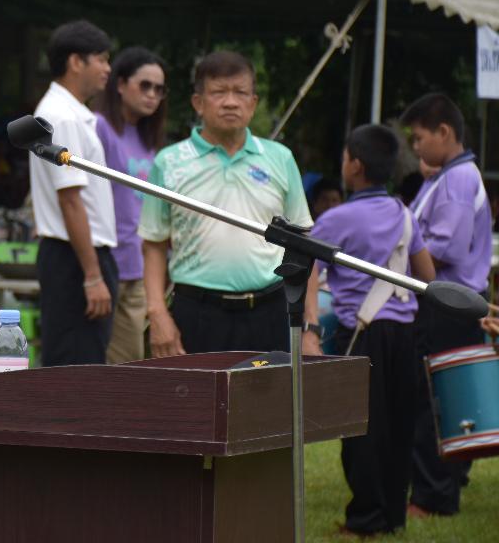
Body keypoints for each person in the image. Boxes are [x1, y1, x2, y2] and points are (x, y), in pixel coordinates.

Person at [301, 125, 435, 536]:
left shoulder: (335, 219)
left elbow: (308, 271)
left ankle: (365, 518)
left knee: (361, 429)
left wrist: (310, 329)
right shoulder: (404, 214)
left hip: (362, 334)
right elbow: (427, 275)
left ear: (355, 165)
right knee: (399, 424)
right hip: (405, 333)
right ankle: (393, 515)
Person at [140, 50, 311, 357]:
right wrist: (157, 313)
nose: (230, 102)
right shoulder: (169, 162)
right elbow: (154, 244)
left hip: (271, 310)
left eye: (240, 92)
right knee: (196, 390)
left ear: (253, 103)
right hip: (197, 312)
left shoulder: (280, 158)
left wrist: (310, 328)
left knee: (269, 390)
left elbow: (303, 245)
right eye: (219, 92)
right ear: (198, 103)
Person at [400, 93, 492, 519]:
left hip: (447, 303)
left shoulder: (457, 180)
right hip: (449, 303)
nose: (416, 146)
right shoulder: (450, 175)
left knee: (435, 402)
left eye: (420, 137)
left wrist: (395, 259)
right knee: (443, 398)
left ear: (444, 132)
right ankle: (442, 484)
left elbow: (443, 248)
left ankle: (433, 498)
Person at [28, 20, 118, 366]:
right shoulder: (61, 116)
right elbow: (70, 199)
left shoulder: (71, 113)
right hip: (75, 258)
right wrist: (92, 276)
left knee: (84, 361)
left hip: (79, 254)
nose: (108, 69)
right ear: (76, 62)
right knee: (75, 367)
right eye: (102, 59)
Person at [93, 46, 167, 363]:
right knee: (97, 364)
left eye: (159, 89)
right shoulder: (99, 126)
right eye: (145, 85)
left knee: (130, 363)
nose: (152, 95)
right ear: (121, 84)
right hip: (104, 264)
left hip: (139, 265)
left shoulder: (148, 137)